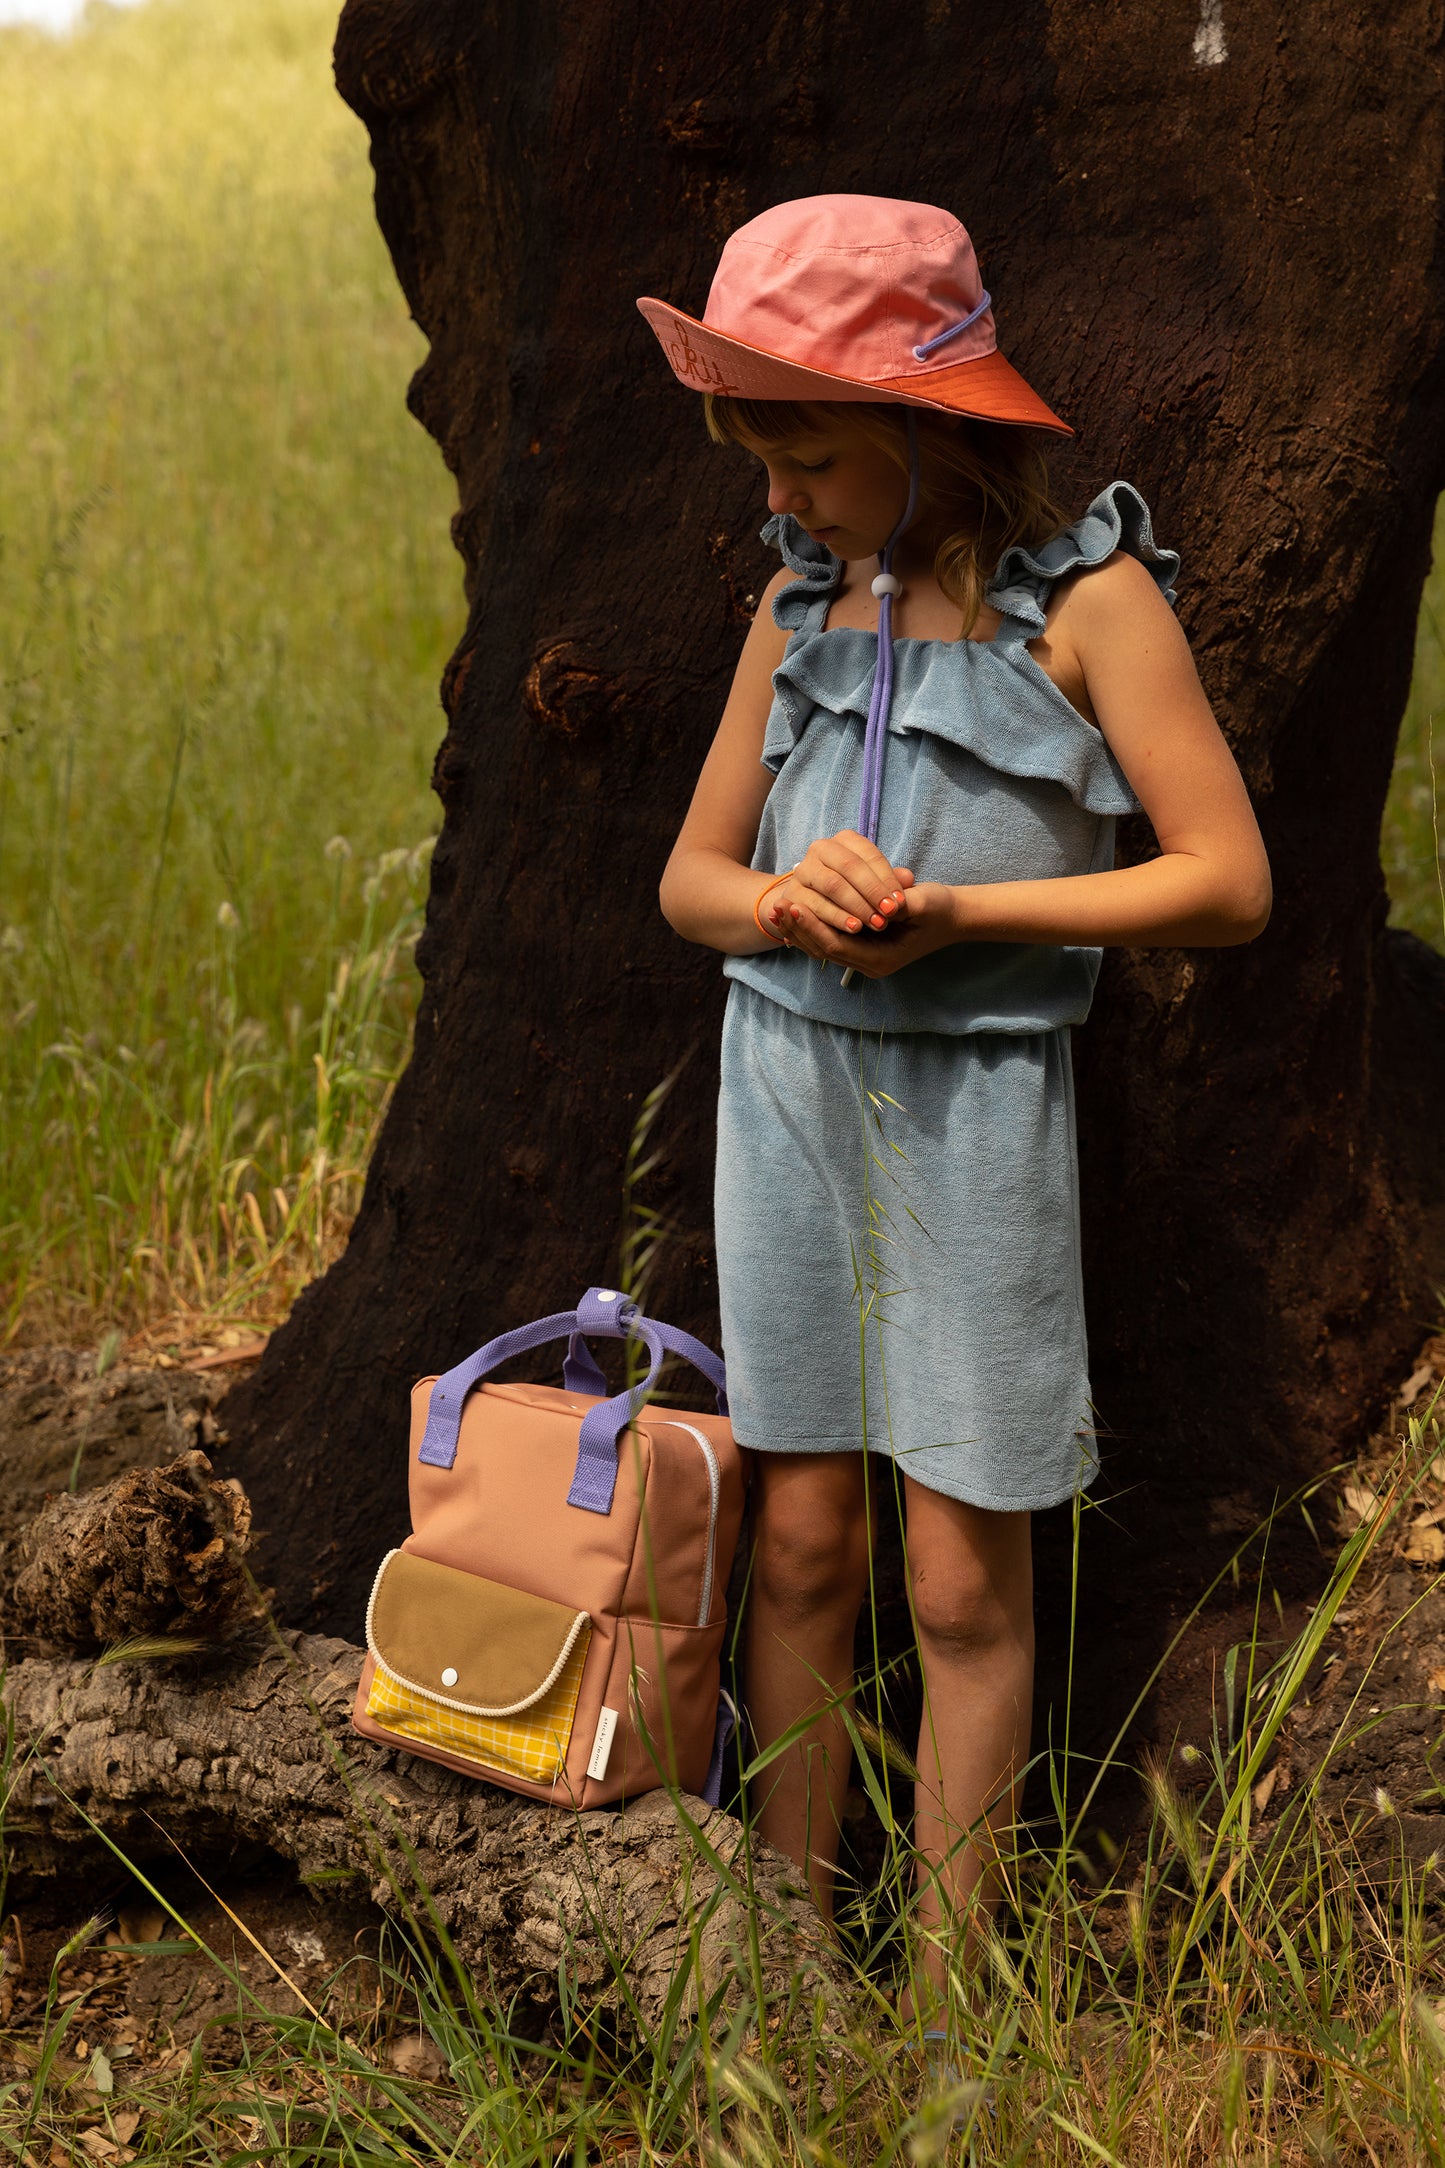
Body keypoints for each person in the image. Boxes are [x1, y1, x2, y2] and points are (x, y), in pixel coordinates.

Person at [640, 196, 1270, 2016]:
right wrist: (781, 898)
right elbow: (687, 880)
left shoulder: (1087, 601)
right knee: (804, 1541)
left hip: (978, 1106)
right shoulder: (795, 601)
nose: (787, 493)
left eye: (815, 453)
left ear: (929, 426)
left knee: (958, 1577)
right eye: (763, 454)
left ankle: (943, 2017)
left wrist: (967, 916)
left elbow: (1224, 879)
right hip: (787, 1097)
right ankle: (778, 1984)